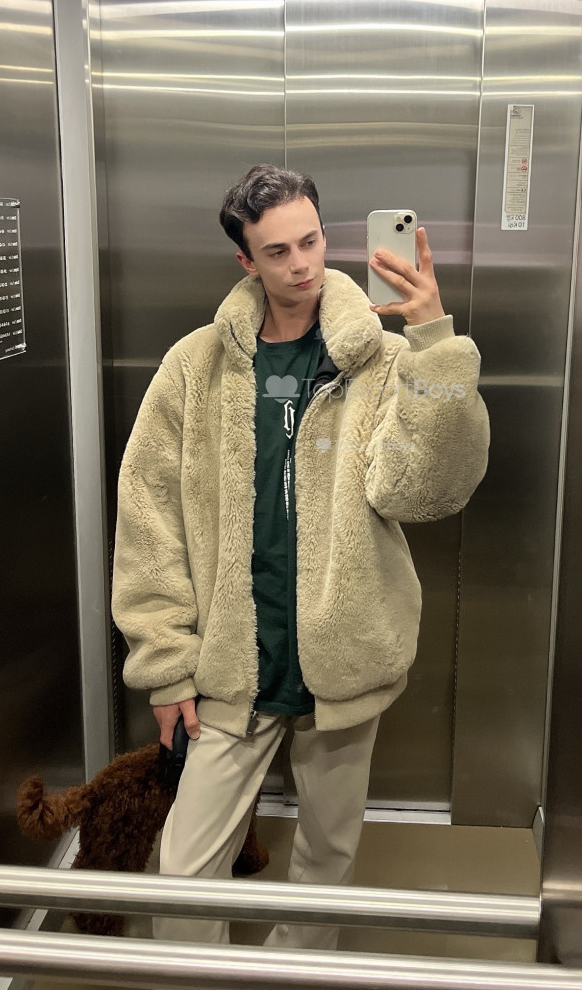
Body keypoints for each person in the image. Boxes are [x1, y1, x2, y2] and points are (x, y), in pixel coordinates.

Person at [111, 164, 489, 949]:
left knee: (327, 858)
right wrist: (164, 665)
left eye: (311, 241)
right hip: (228, 667)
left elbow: (427, 491)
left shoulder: (380, 360)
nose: (301, 265)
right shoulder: (194, 366)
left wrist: (434, 344)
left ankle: (300, 968)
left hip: (345, 660)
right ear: (246, 261)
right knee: (183, 873)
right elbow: (149, 520)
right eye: (277, 251)